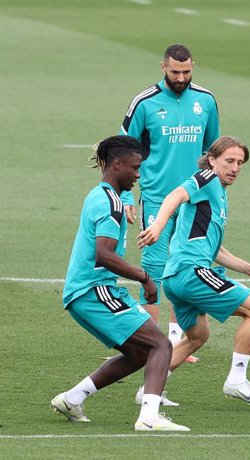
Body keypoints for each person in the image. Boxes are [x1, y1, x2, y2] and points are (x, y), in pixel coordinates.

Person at [51, 135, 188, 432]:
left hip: (88, 290)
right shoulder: (110, 203)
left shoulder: (98, 194)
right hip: (93, 290)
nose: (138, 175)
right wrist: (145, 277)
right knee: (161, 345)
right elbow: (104, 255)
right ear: (117, 164)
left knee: (139, 353)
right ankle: (149, 418)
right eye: (135, 168)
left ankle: (71, 399)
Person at [137, 136, 250, 405]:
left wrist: (247, 268)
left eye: (240, 163)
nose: (235, 168)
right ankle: (237, 379)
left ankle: (149, 391)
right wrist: (158, 226)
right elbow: (176, 195)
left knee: (198, 335)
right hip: (191, 272)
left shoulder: (218, 194)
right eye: (229, 161)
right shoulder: (208, 178)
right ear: (212, 160)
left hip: (176, 278)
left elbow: (215, 250)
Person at [119, 44, 220, 365]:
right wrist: (123, 196)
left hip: (194, 202)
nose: (181, 77)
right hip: (156, 199)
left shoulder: (206, 100)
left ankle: (178, 341)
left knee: (184, 267)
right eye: (175, 72)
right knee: (153, 270)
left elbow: (212, 153)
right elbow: (122, 150)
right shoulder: (145, 103)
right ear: (163, 67)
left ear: (194, 67)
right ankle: (150, 341)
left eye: (187, 72)